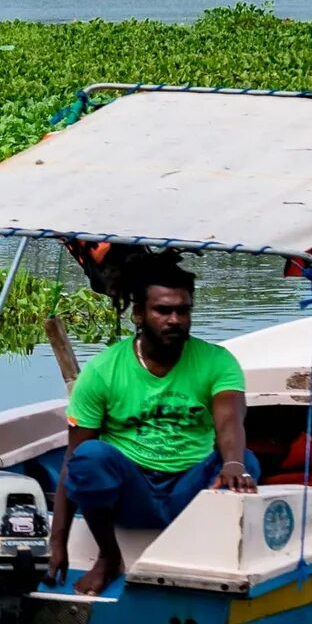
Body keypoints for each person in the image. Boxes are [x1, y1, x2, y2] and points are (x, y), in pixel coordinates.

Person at [44, 253, 258, 596]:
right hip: (133, 493)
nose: (174, 320)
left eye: (183, 310)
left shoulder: (217, 361)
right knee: (90, 457)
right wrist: (58, 542)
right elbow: (72, 460)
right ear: (140, 314)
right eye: (163, 311)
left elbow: (230, 420)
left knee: (246, 462)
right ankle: (109, 557)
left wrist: (233, 462)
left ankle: (208, 557)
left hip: (192, 489)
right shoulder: (103, 370)